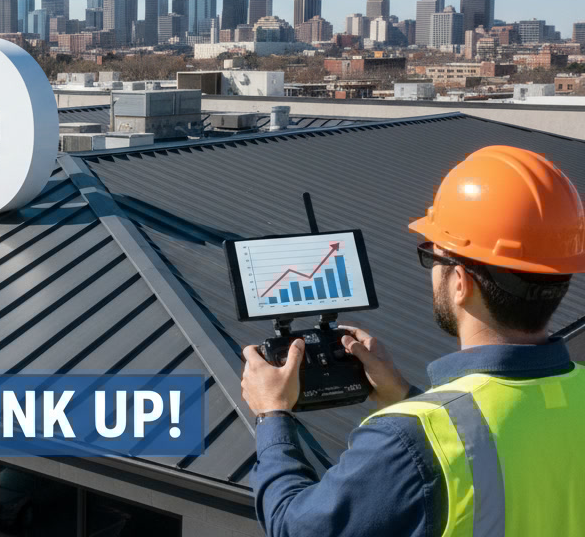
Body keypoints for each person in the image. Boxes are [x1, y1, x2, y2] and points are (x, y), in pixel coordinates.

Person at [241, 145, 585, 536]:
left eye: (432, 257)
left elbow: (293, 526)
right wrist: (403, 395)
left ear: (460, 282)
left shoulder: (405, 441)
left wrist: (272, 414)